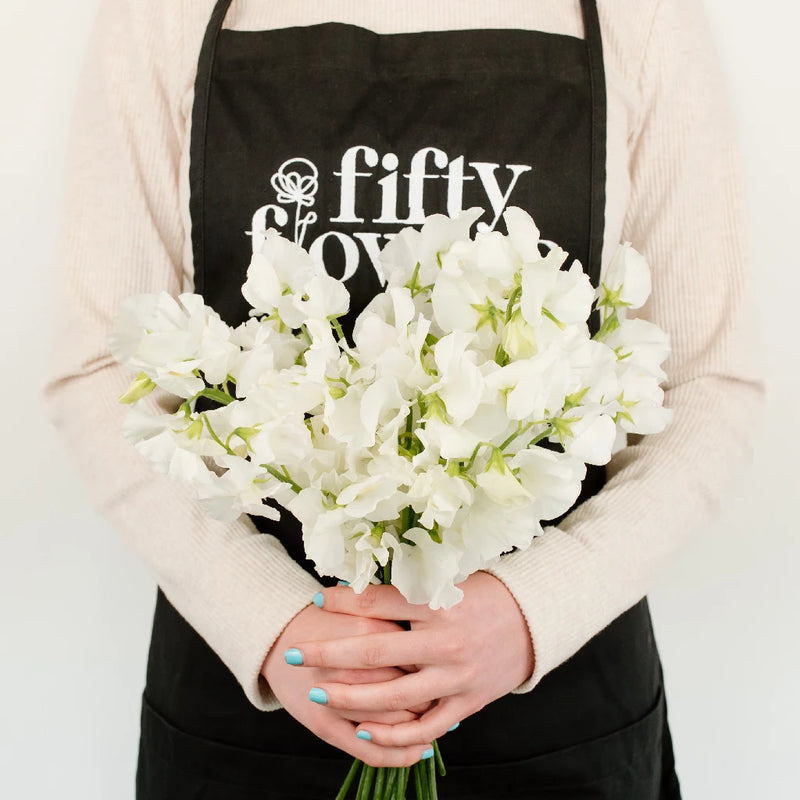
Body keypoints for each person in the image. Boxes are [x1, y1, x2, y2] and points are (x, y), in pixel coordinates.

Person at [45, 1, 763, 798]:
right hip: (247, 714)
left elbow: (708, 382)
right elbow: (103, 369)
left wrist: (530, 613)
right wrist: (273, 622)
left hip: (559, 718)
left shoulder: (645, 15)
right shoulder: (158, 14)